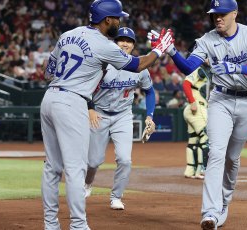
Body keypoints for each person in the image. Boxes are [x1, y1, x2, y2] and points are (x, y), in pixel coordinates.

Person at [40, 0, 173, 229]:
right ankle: (78, 225)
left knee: (52, 167)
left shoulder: (68, 34)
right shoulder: (105, 45)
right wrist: (159, 49)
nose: (119, 22)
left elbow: (47, 72)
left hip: (49, 99)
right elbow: (139, 65)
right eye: (117, 18)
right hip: (72, 102)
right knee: (75, 168)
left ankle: (50, 225)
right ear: (107, 20)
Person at [148, 0, 247, 228]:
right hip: (221, 100)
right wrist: (171, 51)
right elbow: (189, 68)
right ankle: (210, 212)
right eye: (214, 14)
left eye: (223, 14)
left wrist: (237, 68)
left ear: (234, 13)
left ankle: (224, 204)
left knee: (232, 158)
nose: (217, 18)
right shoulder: (207, 39)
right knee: (216, 153)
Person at [83, 27, 156, 210]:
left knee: (125, 159)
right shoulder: (103, 64)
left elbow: (150, 91)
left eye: (129, 41)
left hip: (123, 115)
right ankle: (87, 183)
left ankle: (116, 196)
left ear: (133, 45)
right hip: (99, 113)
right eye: (121, 40)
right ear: (114, 43)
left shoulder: (139, 66)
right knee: (93, 161)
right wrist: (90, 108)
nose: (125, 43)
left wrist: (150, 116)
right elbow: (85, 88)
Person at [182, 67, 209, 179]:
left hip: (193, 108)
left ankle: (190, 170)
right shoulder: (198, 69)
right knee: (206, 137)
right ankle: (202, 170)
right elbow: (186, 84)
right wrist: (192, 102)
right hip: (197, 107)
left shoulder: (205, 70)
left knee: (194, 140)